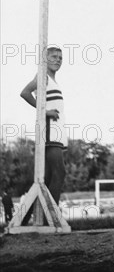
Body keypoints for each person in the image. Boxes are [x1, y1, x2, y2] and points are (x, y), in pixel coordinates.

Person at [20, 45, 68, 208]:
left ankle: (25, 217)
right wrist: (45, 111)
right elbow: (25, 92)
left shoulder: (53, 80)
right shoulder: (43, 76)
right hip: (49, 131)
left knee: (46, 178)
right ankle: (52, 217)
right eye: (54, 57)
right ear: (45, 59)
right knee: (59, 173)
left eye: (60, 58)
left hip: (57, 132)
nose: (58, 60)